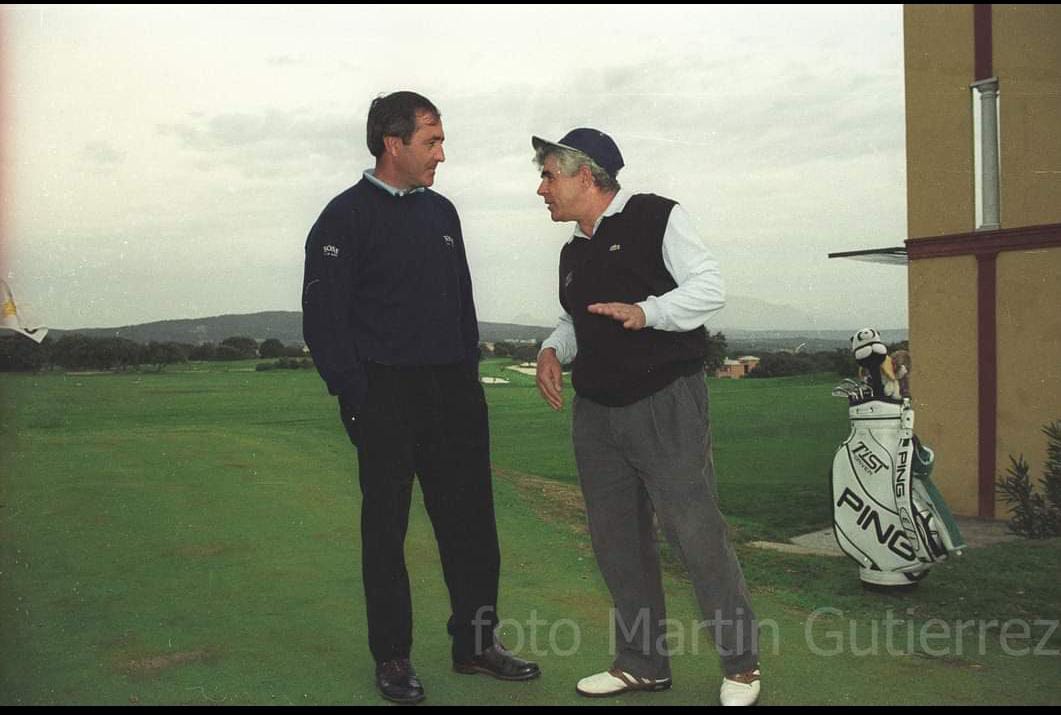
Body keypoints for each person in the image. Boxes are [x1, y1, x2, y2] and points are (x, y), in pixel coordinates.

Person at [302, 91, 540, 705]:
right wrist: (355, 396)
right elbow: (323, 320)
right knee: (386, 531)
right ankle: (393, 658)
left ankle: (477, 644)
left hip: (452, 391)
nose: (441, 153)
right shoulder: (343, 217)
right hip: (384, 391)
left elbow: (462, 305)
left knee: (471, 524)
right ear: (393, 143)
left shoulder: (443, 213)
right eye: (431, 141)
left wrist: (466, 375)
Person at [531, 128, 761, 706]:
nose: (541, 189)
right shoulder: (573, 250)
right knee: (616, 542)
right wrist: (553, 349)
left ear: (586, 176)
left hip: (665, 403)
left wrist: (648, 312)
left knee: (695, 534)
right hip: (597, 414)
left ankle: (741, 668)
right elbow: (576, 320)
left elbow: (709, 288)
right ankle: (641, 664)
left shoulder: (657, 216)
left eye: (549, 176)